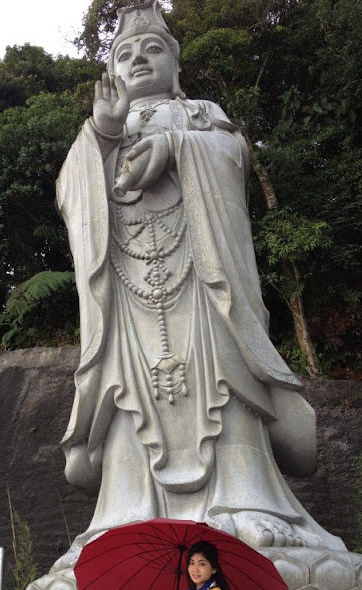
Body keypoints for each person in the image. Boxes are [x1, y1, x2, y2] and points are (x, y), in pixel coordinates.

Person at [55, 0, 345, 553]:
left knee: (225, 381)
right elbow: (74, 198)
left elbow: (232, 160)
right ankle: (125, 513)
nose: (138, 60)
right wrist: (102, 136)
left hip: (206, 286)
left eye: (153, 49)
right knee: (126, 396)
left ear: (177, 66)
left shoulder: (201, 114)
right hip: (128, 299)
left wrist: (176, 147)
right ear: (111, 72)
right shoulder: (99, 134)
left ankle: (246, 499)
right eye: (125, 55)